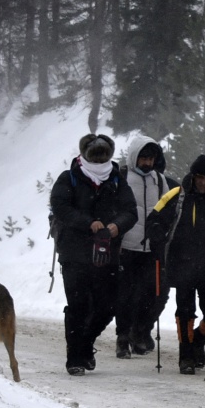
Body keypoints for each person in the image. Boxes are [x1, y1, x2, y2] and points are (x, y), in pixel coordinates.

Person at [146, 155, 205, 374]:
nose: (203, 183)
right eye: (200, 177)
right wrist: (159, 243)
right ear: (193, 175)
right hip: (183, 266)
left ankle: (197, 341)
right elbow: (153, 221)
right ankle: (186, 355)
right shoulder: (176, 197)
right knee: (185, 312)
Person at [49, 133, 137, 375]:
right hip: (74, 253)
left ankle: (85, 345)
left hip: (106, 253)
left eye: (102, 159)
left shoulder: (117, 179)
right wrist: (89, 223)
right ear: (84, 156)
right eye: (94, 159)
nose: (99, 163)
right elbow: (60, 207)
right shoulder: (69, 178)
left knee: (107, 306)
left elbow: (131, 211)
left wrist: (117, 226)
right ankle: (75, 357)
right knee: (78, 306)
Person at [115, 140, 176, 358]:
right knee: (125, 296)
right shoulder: (121, 179)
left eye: (150, 158)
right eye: (143, 158)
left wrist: (163, 232)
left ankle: (140, 332)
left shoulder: (160, 181)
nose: (147, 162)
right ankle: (122, 337)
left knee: (155, 293)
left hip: (153, 248)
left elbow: (169, 210)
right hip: (126, 247)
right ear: (134, 157)